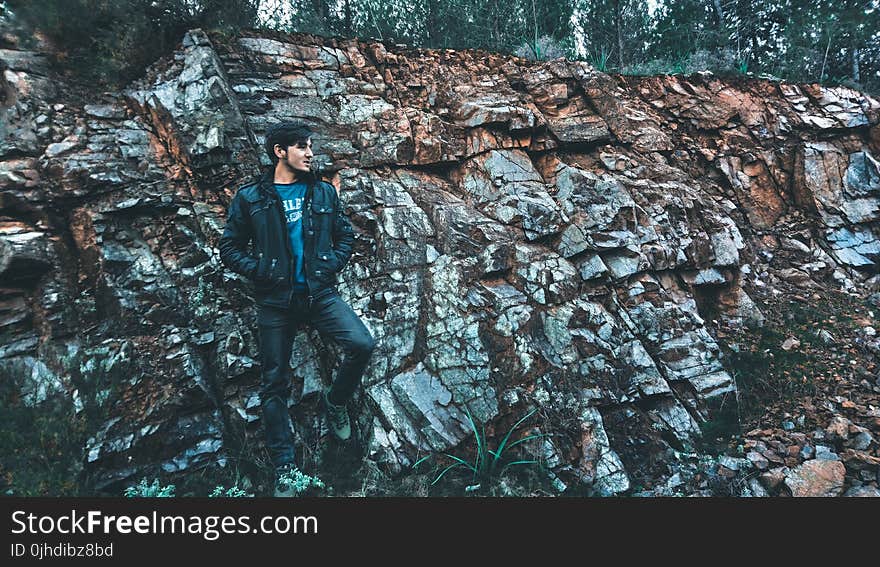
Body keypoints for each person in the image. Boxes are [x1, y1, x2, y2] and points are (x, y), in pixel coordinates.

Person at [219, 121, 376, 496]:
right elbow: (230, 248)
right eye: (302, 147)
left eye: (310, 147)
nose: (309, 153)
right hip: (275, 302)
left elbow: (345, 236)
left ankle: (335, 401)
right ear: (279, 152)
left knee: (362, 344)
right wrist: (261, 271)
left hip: (319, 295)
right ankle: (286, 470)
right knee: (274, 384)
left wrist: (327, 265)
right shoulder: (251, 198)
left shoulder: (322, 193)